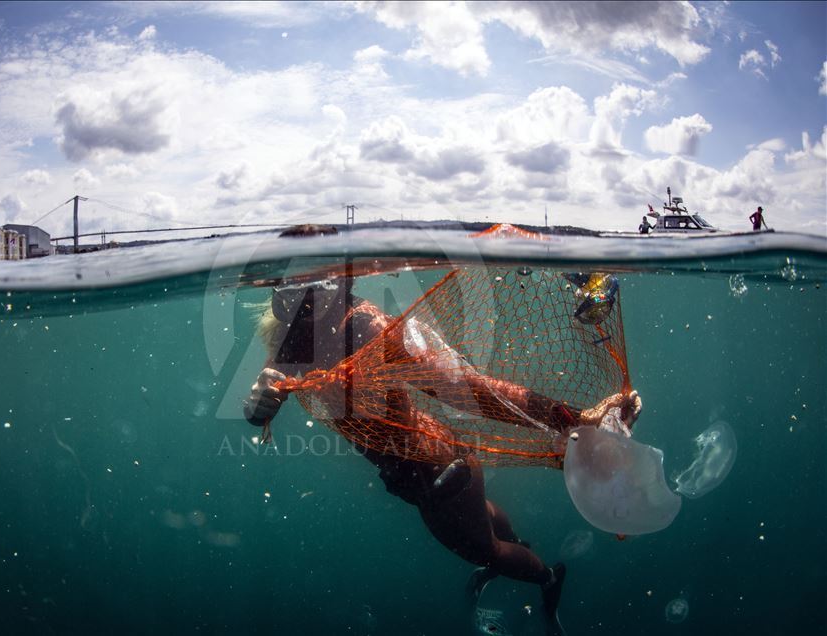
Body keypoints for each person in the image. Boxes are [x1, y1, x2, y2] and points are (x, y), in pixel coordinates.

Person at [243, 233, 642, 634]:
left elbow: (468, 390)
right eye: (291, 283)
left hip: (437, 474)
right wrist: (259, 401)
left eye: (315, 281)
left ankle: (547, 579)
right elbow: (271, 380)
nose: (303, 295)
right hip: (432, 467)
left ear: (342, 280)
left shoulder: (367, 327)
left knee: (484, 551)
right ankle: (518, 547)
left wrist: (571, 418)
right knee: (482, 518)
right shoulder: (293, 335)